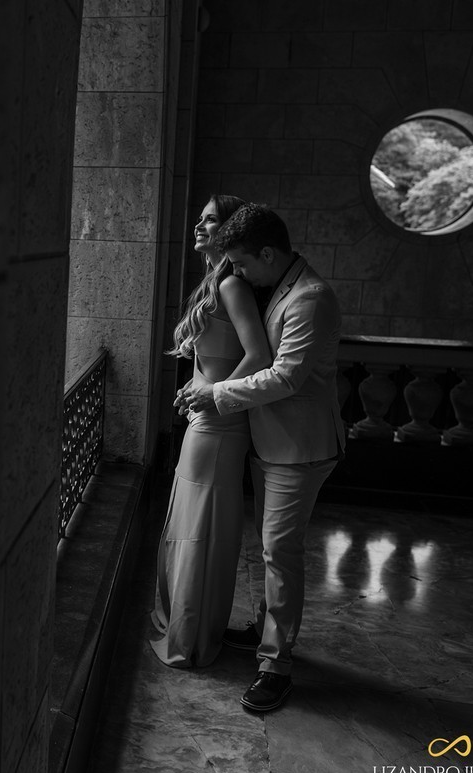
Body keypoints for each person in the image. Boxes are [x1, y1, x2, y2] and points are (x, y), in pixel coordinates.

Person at [182, 203, 345, 712]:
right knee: (272, 549)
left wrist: (215, 394)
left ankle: (276, 666)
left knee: (280, 552)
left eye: (242, 264)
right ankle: (263, 628)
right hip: (270, 441)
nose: (238, 273)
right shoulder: (279, 285)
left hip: (299, 448)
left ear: (268, 254)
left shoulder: (310, 298)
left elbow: (286, 377)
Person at [149, 194, 270, 668]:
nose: (199, 225)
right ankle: (187, 624)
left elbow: (258, 356)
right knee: (190, 523)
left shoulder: (233, 286)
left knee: (201, 528)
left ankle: (193, 637)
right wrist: (197, 390)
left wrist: (214, 394)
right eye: (199, 217)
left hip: (220, 425)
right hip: (208, 420)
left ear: (231, 229)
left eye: (211, 219)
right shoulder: (215, 282)